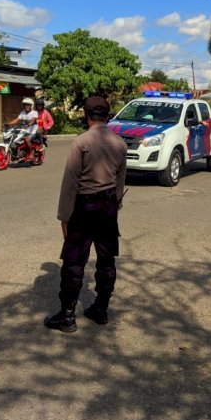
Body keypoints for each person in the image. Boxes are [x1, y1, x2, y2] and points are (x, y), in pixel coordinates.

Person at [44, 95, 128, 333]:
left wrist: (64, 216)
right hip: (108, 207)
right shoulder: (120, 143)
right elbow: (120, 180)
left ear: (85, 115)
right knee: (106, 259)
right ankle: (101, 309)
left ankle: (67, 316)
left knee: (74, 261)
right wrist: (116, 207)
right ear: (108, 116)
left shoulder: (81, 142)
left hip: (84, 207)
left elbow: (70, 182)